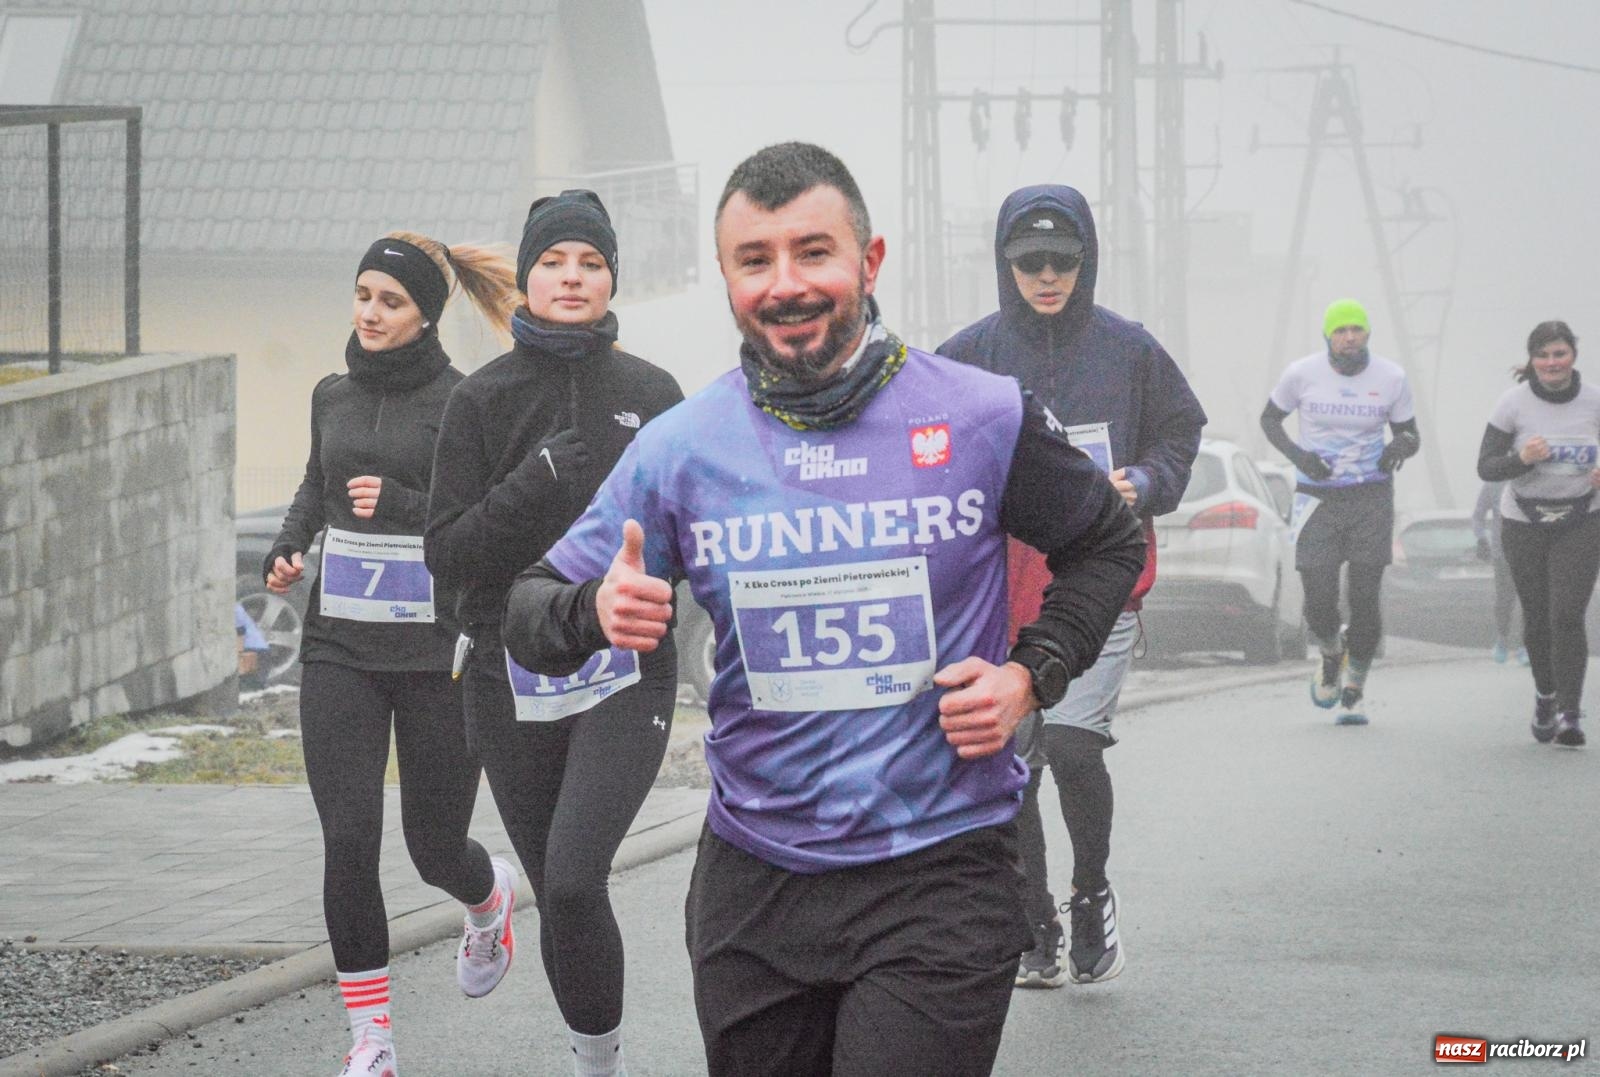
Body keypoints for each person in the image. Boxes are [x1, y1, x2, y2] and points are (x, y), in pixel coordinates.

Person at [502, 142, 1146, 1077]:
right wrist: (589, 611)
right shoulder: (681, 449)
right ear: (726, 278)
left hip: (942, 866)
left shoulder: (981, 413)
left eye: (814, 252)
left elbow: (1108, 543)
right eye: (754, 260)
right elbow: (527, 603)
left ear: (870, 261)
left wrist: (1029, 675)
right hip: (754, 885)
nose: (785, 284)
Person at [424, 190, 684, 1077]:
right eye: (555, 263)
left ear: (612, 278)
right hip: (510, 673)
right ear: (527, 279)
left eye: (591, 263)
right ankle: (594, 1055)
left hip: (625, 668)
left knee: (576, 876)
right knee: (558, 898)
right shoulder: (482, 400)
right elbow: (447, 554)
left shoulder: (651, 394)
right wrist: (534, 482)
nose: (573, 278)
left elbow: (688, 534)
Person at [264, 232, 521, 1077]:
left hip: (434, 651)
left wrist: (408, 502)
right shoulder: (331, 394)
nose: (369, 312)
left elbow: (483, 517)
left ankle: (487, 901)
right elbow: (316, 481)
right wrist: (290, 543)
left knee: (432, 844)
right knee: (349, 839)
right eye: (363, 294)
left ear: (425, 316)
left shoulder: (463, 402)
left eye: (390, 301)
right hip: (340, 645)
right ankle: (372, 1040)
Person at [939, 184, 1205, 990]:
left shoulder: (1130, 350)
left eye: (1062, 261)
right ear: (1005, 265)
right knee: (1012, 757)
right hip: (1002, 586)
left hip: (1105, 572)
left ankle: (1091, 892)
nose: (1046, 277)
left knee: (1071, 742)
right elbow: (922, 444)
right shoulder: (969, 354)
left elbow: (1181, 429)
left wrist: (1149, 480)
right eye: (1029, 263)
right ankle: (1034, 925)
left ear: (1086, 262)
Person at [1261, 298, 1420, 725]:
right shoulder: (1301, 374)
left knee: (1365, 596)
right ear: (1328, 337)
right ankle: (1332, 653)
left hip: (1370, 496)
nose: (1350, 338)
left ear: (1367, 335)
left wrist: (1398, 448)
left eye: (1357, 330)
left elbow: (1410, 433)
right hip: (1318, 497)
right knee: (1318, 599)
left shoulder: (1391, 377)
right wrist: (1301, 457)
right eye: (1341, 331)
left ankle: (1355, 691)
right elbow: (1269, 421)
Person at [1476, 320, 1600, 748]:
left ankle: (1569, 712)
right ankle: (1545, 695)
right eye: (1543, 355)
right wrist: (1521, 459)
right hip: (1523, 522)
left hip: (1582, 519)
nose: (1551, 363)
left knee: (1566, 615)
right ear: (1531, 360)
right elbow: (1486, 467)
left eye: (1559, 353)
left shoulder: (1594, 402)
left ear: (1573, 357)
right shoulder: (1513, 404)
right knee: (1538, 617)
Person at [1470, 479, 1526, 665]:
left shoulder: (1532, 478)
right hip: (1502, 552)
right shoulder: (1493, 484)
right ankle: (1502, 641)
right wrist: (1481, 539)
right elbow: (1477, 516)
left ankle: (1525, 646)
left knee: (1531, 600)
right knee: (1504, 599)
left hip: (1530, 550)